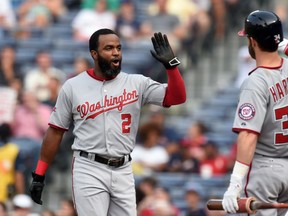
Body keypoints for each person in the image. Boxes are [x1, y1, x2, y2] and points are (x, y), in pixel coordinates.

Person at [29, 28, 186, 216]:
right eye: (109, 48)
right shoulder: (73, 86)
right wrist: (39, 174)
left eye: (118, 48)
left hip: (123, 169)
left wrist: (171, 66)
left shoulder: (136, 83)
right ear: (94, 54)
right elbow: (55, 131)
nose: (116, 52)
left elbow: (177, 97)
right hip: (89, 167)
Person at [222, 10, 288, 216]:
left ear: (253, 41)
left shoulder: (255, 82)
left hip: (267, 168)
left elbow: (249, 135)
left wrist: (235, 184)